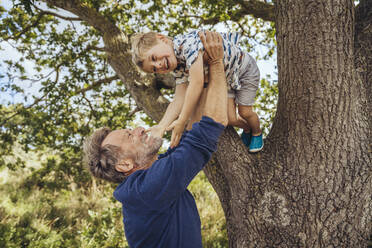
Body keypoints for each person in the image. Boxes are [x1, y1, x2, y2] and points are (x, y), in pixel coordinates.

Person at [83, 31, 228, 248]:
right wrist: (216, 62)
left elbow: (192, 133)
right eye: (129, 136)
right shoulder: (149, 188)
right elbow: (211, 125)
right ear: (125, 164)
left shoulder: (148, 183)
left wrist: (198, 73)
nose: (140, 129)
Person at [131, 30, 263, 153]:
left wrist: (182, 120)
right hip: (228, 78)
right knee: (230, 118)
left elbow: (197, 83)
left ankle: (257, 132)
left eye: (154, 58)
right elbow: (179, 99)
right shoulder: (178, 67)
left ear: (162, 39)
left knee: (244, 111)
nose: (158, 66)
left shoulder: (187, 44)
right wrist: (161, 126)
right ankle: (247, 128)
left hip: (244, 70)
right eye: (154, 69)